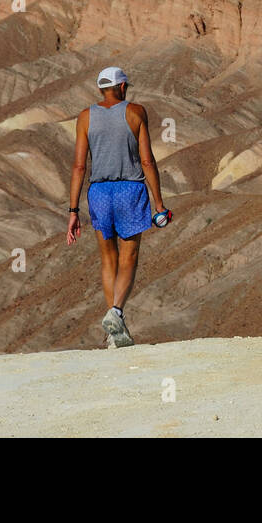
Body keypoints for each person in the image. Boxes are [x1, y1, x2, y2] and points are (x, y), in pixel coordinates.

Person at [67, 66, 169, 347]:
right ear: (123, 87)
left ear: (102, 89)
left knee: (108, 260)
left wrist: (73, 211)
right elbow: (147, 161)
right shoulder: (136, 112)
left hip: (99, 192)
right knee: (129, 258)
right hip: (130, 190)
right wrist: (158, 204)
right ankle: (116, 312)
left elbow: (78, 166)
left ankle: (115, 334)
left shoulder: (85, 117)